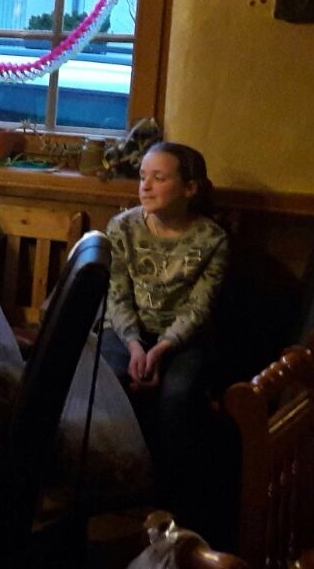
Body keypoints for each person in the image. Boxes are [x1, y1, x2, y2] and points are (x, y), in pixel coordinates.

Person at [101, 141, 228, 510]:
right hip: (127, 330)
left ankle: (170, 501)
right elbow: (117, 294)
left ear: (190, 188)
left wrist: (161, 349)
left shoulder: (212, 239)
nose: (145, 186)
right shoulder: (122, 228)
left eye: (159, 178)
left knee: (177, 397)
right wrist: (135, 345)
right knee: (110, 382)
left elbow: (198, 309)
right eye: (143, 177)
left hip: (183, 339)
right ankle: (115, 487)